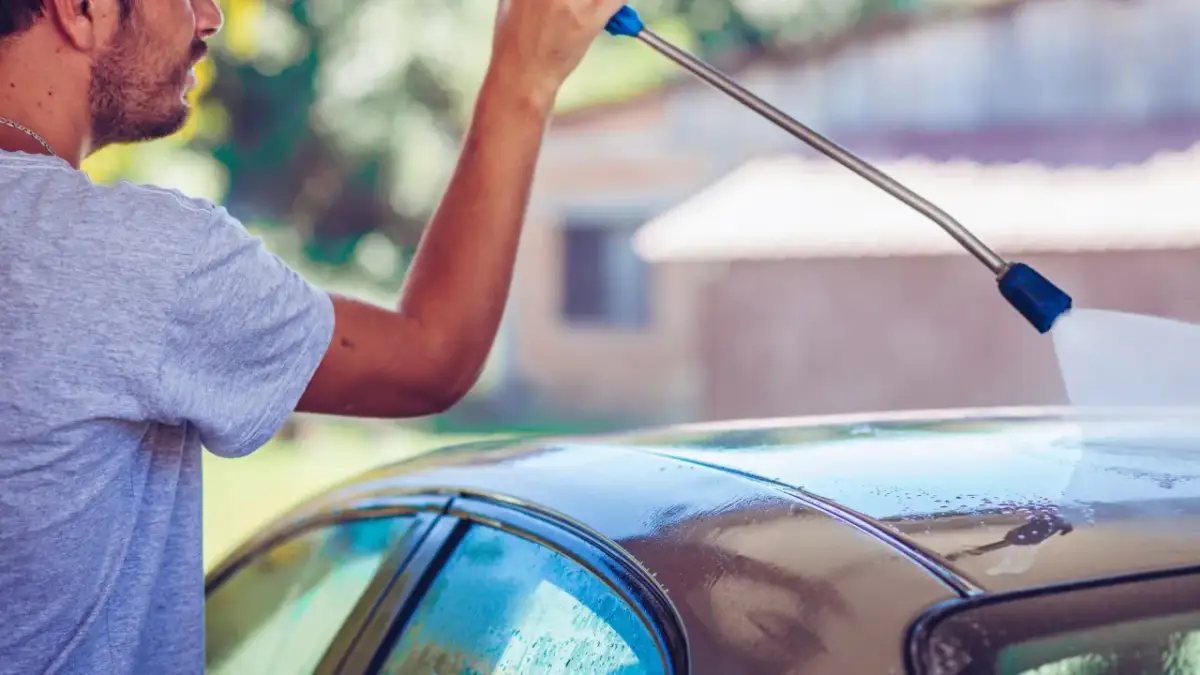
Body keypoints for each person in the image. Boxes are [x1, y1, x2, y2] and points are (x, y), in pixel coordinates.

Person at [0, 0, 625, 672]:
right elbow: (432, 355)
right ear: (82, 9)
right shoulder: (126, 251)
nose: (209, 19)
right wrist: (523, 81)